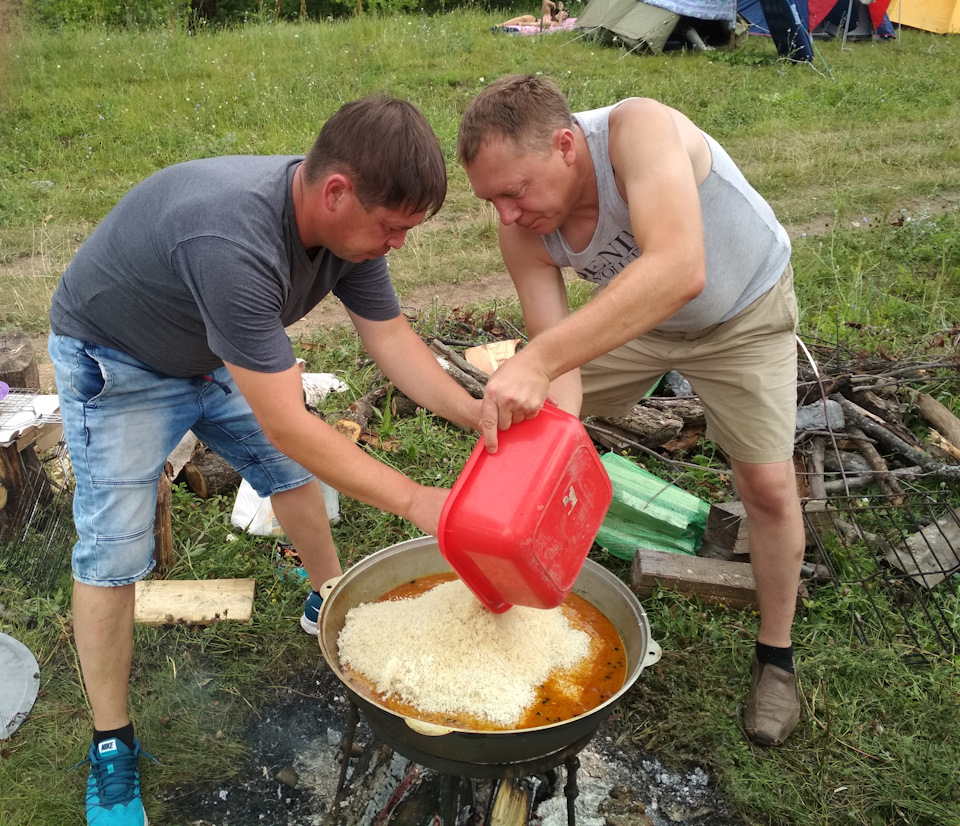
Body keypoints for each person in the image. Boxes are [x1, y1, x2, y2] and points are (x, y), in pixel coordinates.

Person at [50, 95, 481, 825]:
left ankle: (327, 597)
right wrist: (416, 500)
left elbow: (393, 340)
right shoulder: (234, 240)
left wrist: (475, 411)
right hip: (116, 361)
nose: (399, 245)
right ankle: (112, 743)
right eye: (393, 227)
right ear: (337, 191)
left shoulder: (349, 238)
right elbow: (288, 423)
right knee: (112, 553)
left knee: (292, 476)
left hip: (210, 347)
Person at [457, 74, 804, 747]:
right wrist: (546, 440)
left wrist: (536, 360)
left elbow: (679, 267)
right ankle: (509, 571)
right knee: (533, 430)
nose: (505, 214)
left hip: (743, 315)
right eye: (490, 199)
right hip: (642, 324)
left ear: (564, 146)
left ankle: (776, 660)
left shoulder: (637, 130)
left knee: (764, 485)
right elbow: (560, 383)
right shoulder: (524, 229)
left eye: (514, 192)